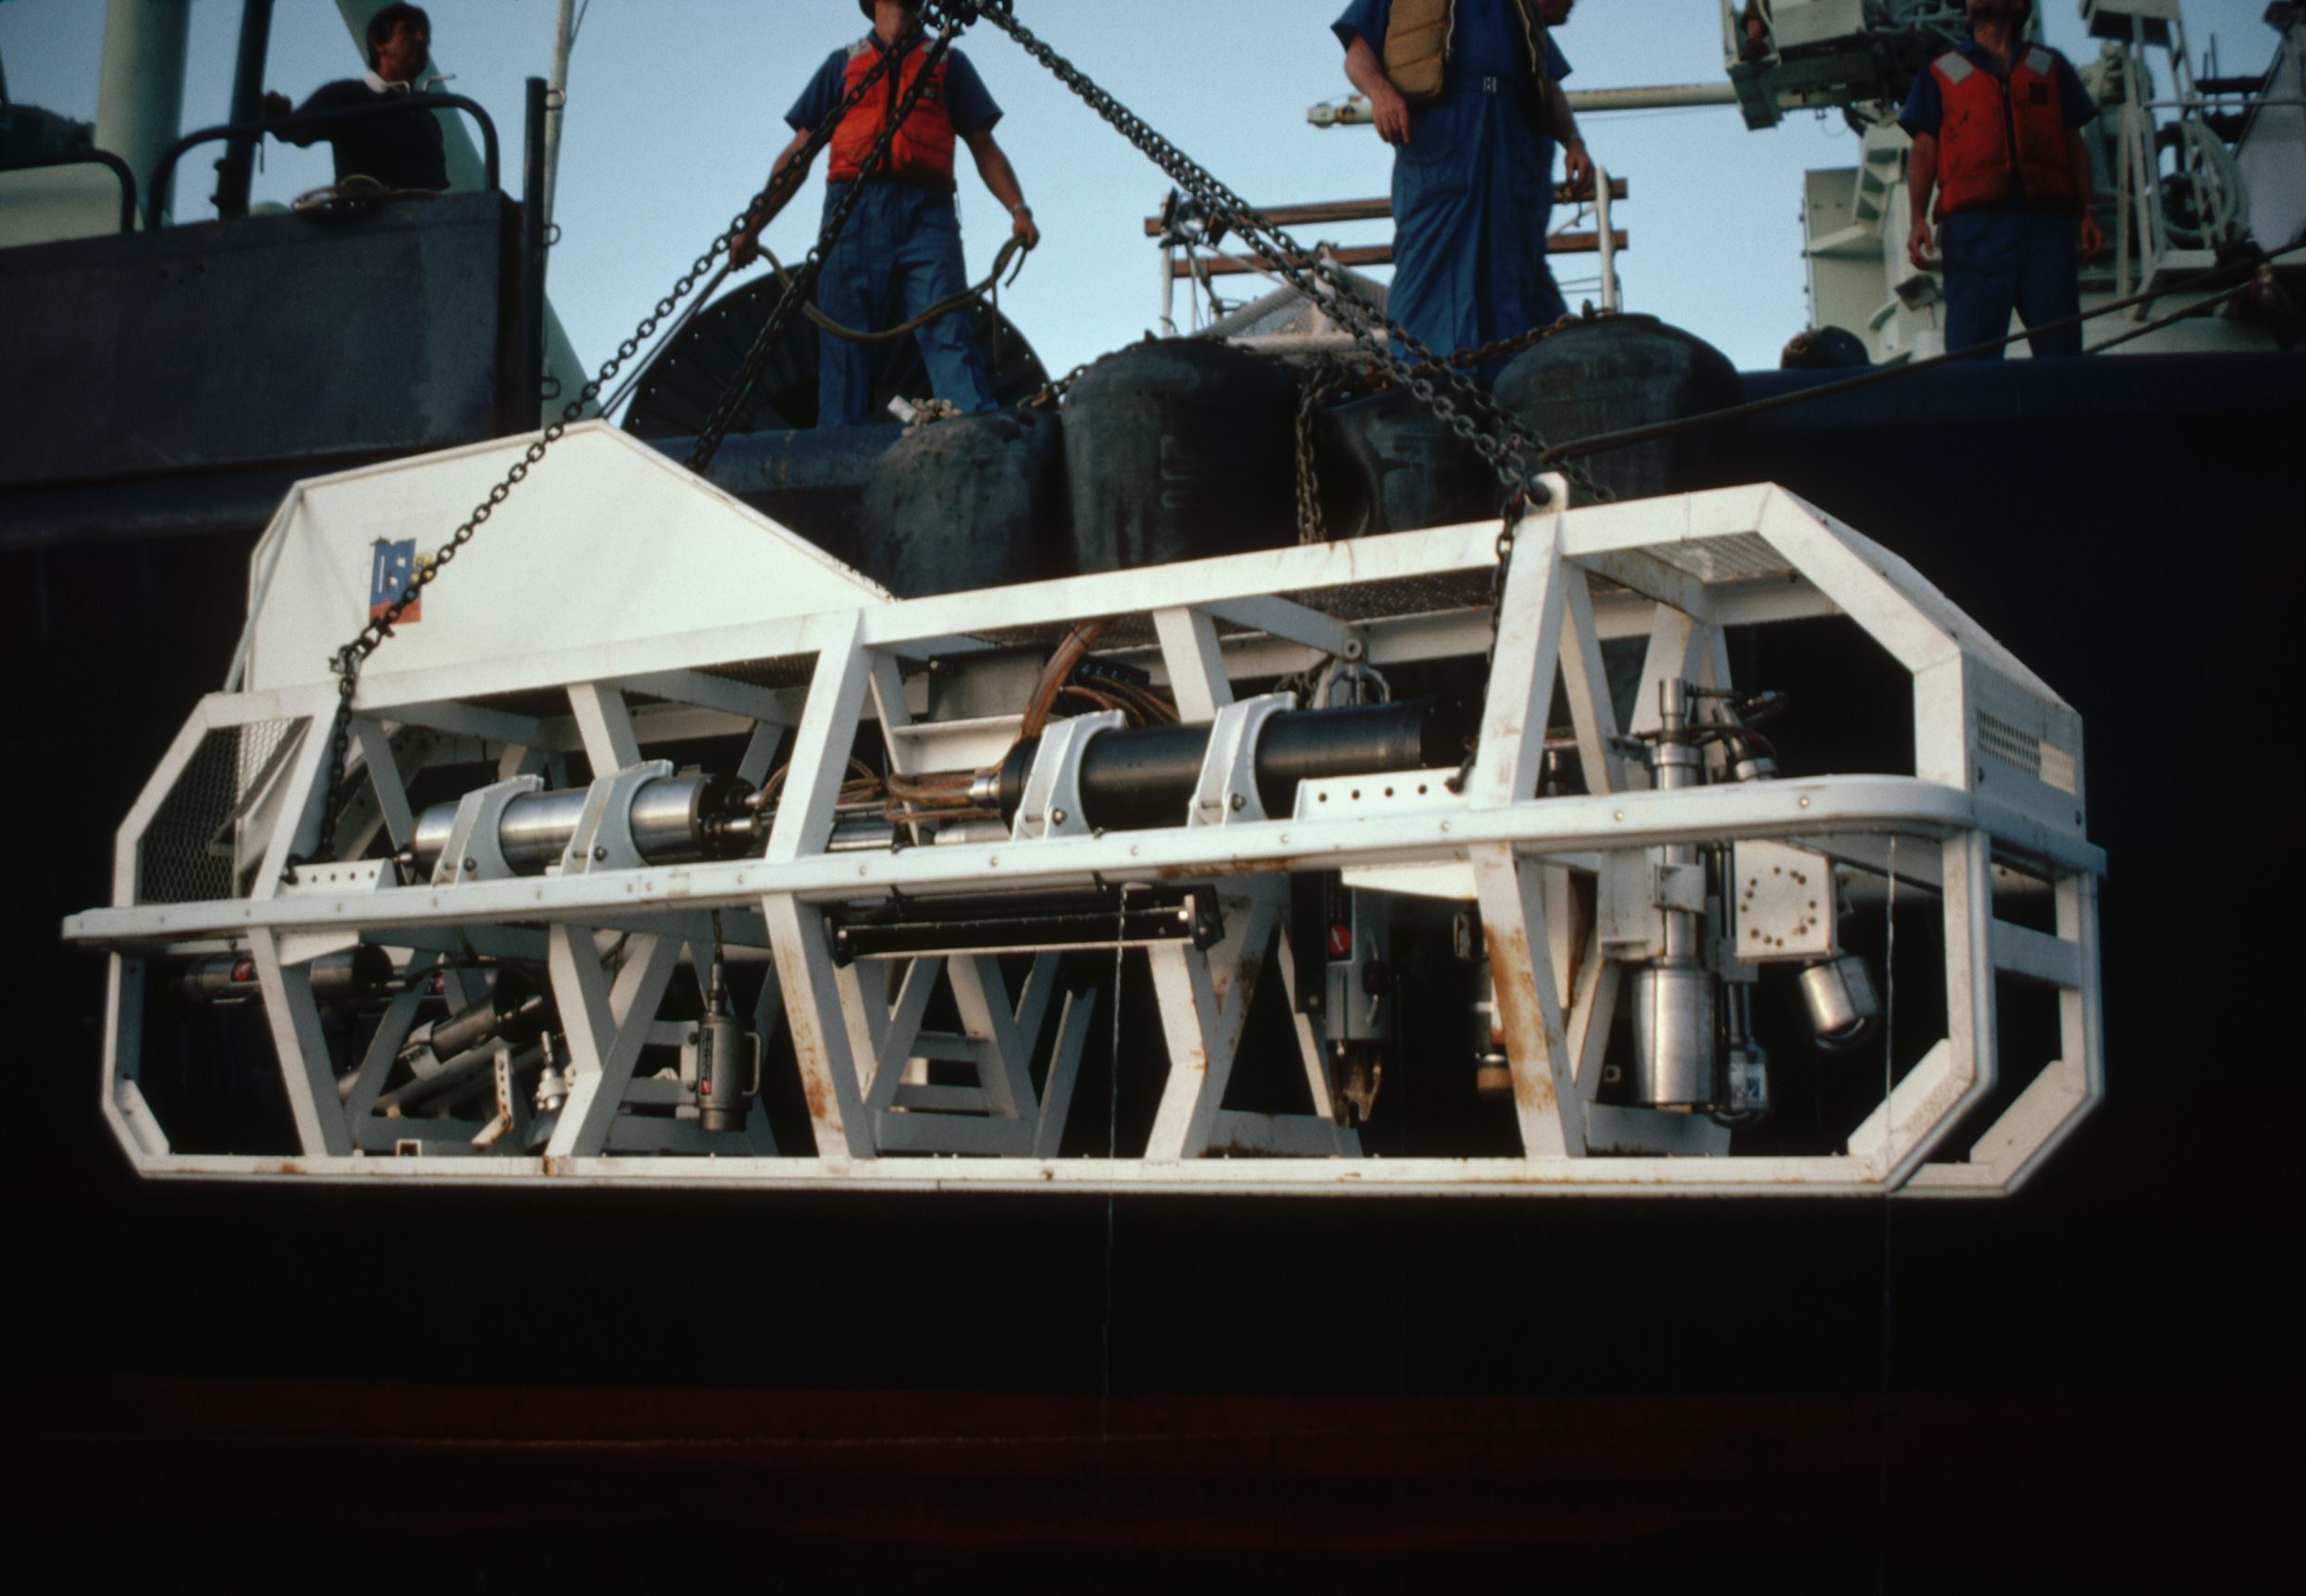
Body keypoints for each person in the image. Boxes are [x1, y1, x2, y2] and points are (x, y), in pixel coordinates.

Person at [730, 0, 1038, 429]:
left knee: (947, 329)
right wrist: (753, 227)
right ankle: (837, 451)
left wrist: (1017, 209)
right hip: (852, 214)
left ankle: (977, 433)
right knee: (843, 344)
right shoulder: (842, 66)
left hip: (927, 215)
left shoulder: (949, 63)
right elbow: (798, 155)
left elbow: (984, 146)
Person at [1333, 0, 1593, 374]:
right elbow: (1357, 52)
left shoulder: (1517, 7)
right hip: (1443, 144)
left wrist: (1573, 142)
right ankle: (1428, 389)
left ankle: (1527, 390)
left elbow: (1546, 78)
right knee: (1432, 269)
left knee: (1519, 276)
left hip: (1513, 151)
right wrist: (1381, 93)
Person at [1900, 0, 2103, 358]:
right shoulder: (1940, 72)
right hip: (1974, 232)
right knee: (1972, 358)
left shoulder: (2051, 67)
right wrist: (1917, 217)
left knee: (2061, 351)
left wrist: (2087, 210)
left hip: (2047, 229)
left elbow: (2073, 142)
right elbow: (1925, 148)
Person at [263, 4, 447, 193]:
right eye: (409, 30)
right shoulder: (344, 96)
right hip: (363, 219)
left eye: (425, 32)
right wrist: (273, 111)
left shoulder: (428, 120)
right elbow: (294, 129)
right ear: (380, 44)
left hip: (426, 222)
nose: (421, 38)